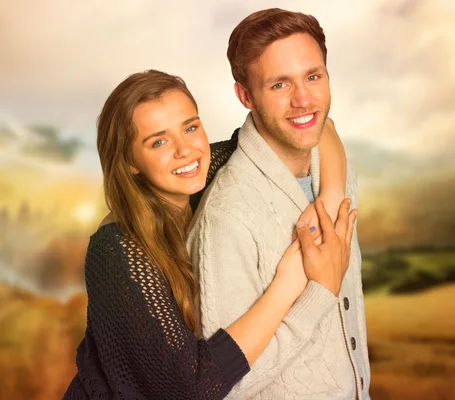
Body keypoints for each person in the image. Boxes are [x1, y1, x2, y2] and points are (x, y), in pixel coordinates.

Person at [62, 70, 356, 399]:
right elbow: (191, 389)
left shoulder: (207, 170)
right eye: (158, 141)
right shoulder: (118, 252)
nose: (184, 150)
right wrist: (291, 285)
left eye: (190, 127)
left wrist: (328, 203)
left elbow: (319, 129)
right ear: (130, 161)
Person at [187, 8, 371, 400]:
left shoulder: (336, 170)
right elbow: (224, 386)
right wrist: (317, 292)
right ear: (245, 96)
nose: (303, 100)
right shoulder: (228, 214)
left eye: (313, 76)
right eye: (279, 85)